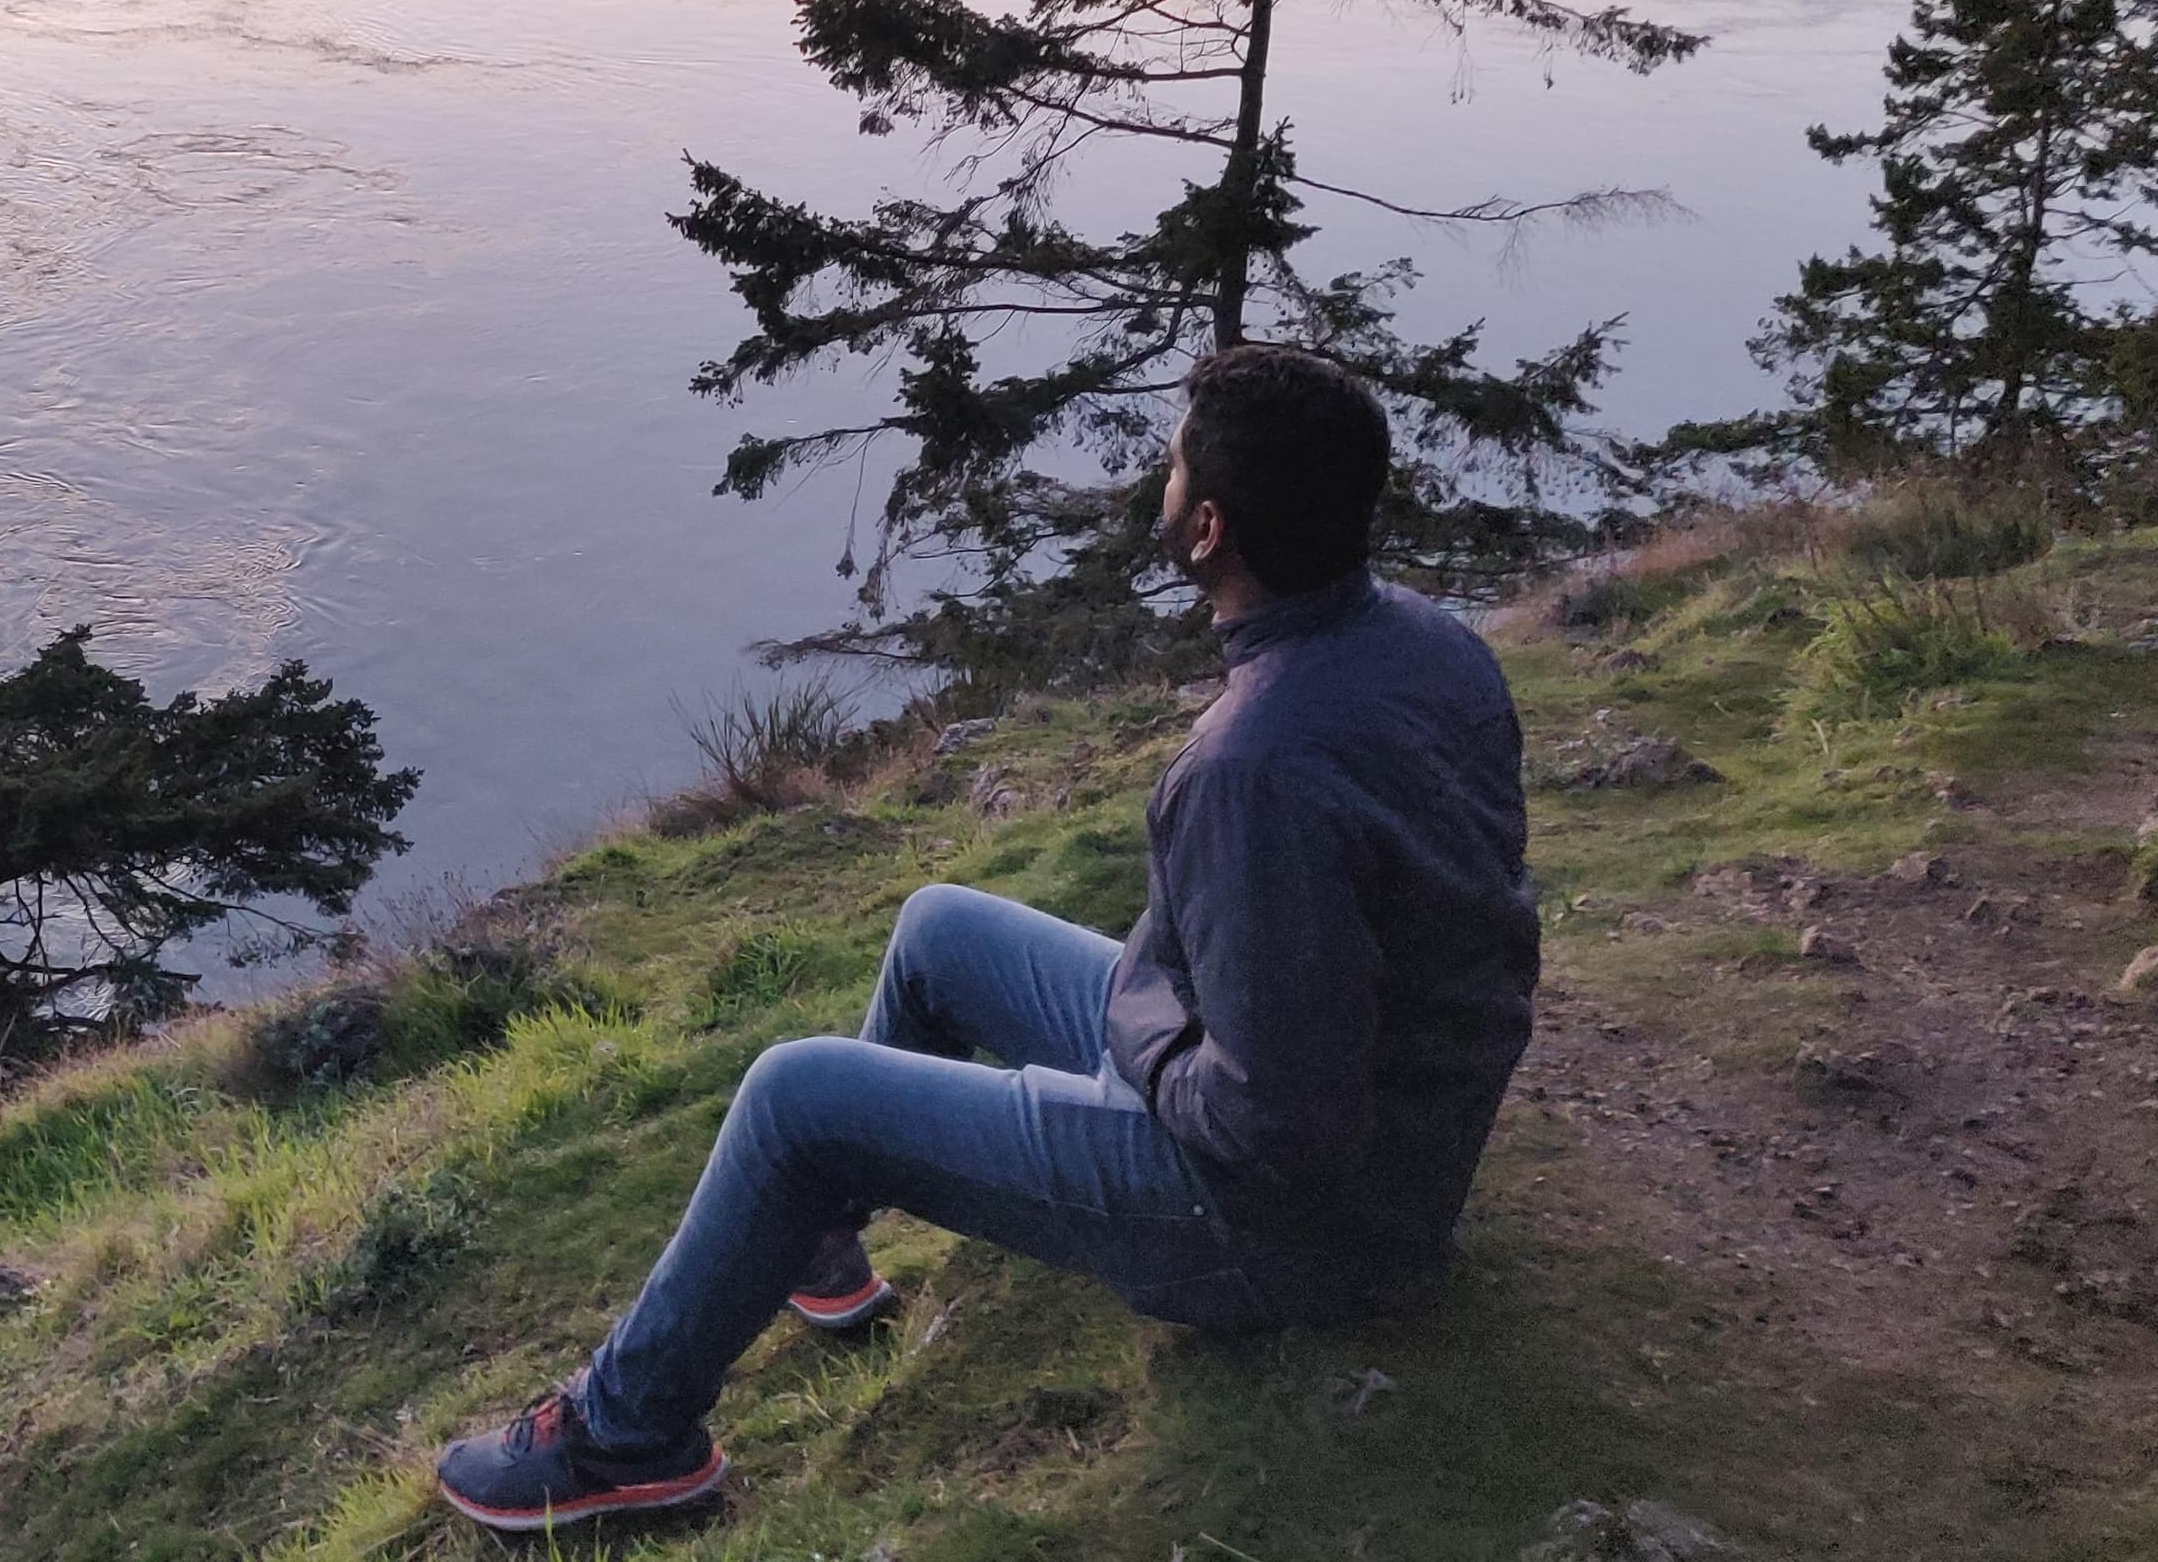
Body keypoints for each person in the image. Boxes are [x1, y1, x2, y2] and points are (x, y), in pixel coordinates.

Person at [431, 344, 1540, 1534]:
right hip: (1383, 1145)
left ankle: (624, 1441)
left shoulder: (1253, 766)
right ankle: (811, 1245)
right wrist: (1166, 1012)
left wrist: (1145, 1035)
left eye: (1170, 467)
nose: (1157, 481)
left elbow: (1281, 1124)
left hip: (1287, 1231)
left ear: (1209, 528)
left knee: (796, 1096)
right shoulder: (1431, 643)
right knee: (938, 927)